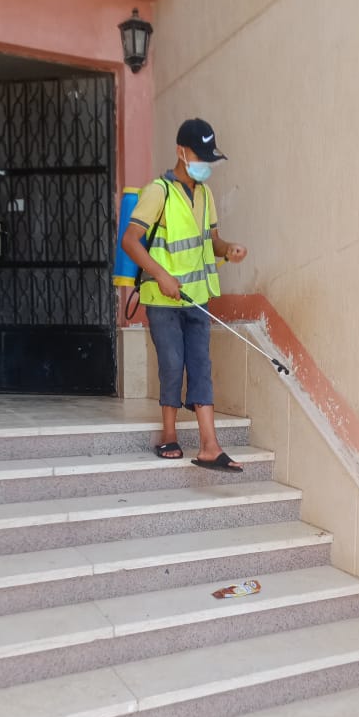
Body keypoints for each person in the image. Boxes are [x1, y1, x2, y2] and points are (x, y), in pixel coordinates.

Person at [122, 118, 248, 471]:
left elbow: (212, 240)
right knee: (172, 364)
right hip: (162, 299)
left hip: (197, 297)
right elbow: (130, 240)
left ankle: (210, 446)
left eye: (209, 158)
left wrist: (228, 249)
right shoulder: (157, 192)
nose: (205, 164)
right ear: (181, 152)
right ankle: (168, 435)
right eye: (200, 156)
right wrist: (162, 275)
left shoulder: (205, 195)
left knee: (201, 366)